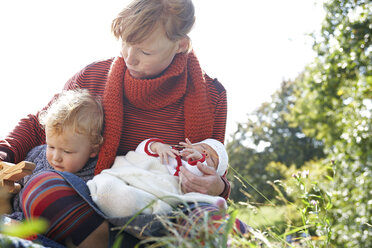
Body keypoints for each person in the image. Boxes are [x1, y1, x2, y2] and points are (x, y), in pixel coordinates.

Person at [0, 0, 245, 247]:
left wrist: (218, 186)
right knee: (43, 189)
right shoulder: (93, 76)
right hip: (94, 200)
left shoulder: (212, 95)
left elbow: (213, 160)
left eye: (145, 51)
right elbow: (39, 126)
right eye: (126, 43)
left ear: (180, 45)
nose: (130, 57)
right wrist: (4, 152)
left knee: (218, 221)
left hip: (167, 204)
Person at [6, 89, 104, 222]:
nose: (56, 157)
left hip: (45, 229)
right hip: (13, 214)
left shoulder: (92, 180)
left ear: (93, 149)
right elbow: (16, 184)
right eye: (51, 146)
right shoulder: (37, 156)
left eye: (67, 151)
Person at [87, 138, 229, 218]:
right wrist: (158, 146)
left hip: (158, 191)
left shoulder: (189, 171)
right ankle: (109, 195)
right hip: (131, 173)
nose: (205, 153)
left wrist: (199, 160)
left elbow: (196, 174)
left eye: (211, 159)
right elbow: (141, 148)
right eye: (203, 147)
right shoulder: (171, 153)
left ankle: (129, 208)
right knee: (108, 185)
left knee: (135, 202)